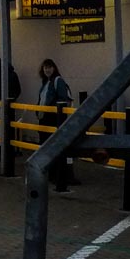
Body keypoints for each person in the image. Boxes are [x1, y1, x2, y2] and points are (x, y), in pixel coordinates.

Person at [38, 58, 75, 189]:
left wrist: (47, 110)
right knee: (47, 146)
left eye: (49, 67)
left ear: (54, 68)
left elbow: (62, 99)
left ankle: (55, 175)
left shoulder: (57, 81)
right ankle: (52, 174)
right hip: (45, 118)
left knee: (51, 146)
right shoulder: (46, 82)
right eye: (45, 67)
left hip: (52, 118)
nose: (47, 70)